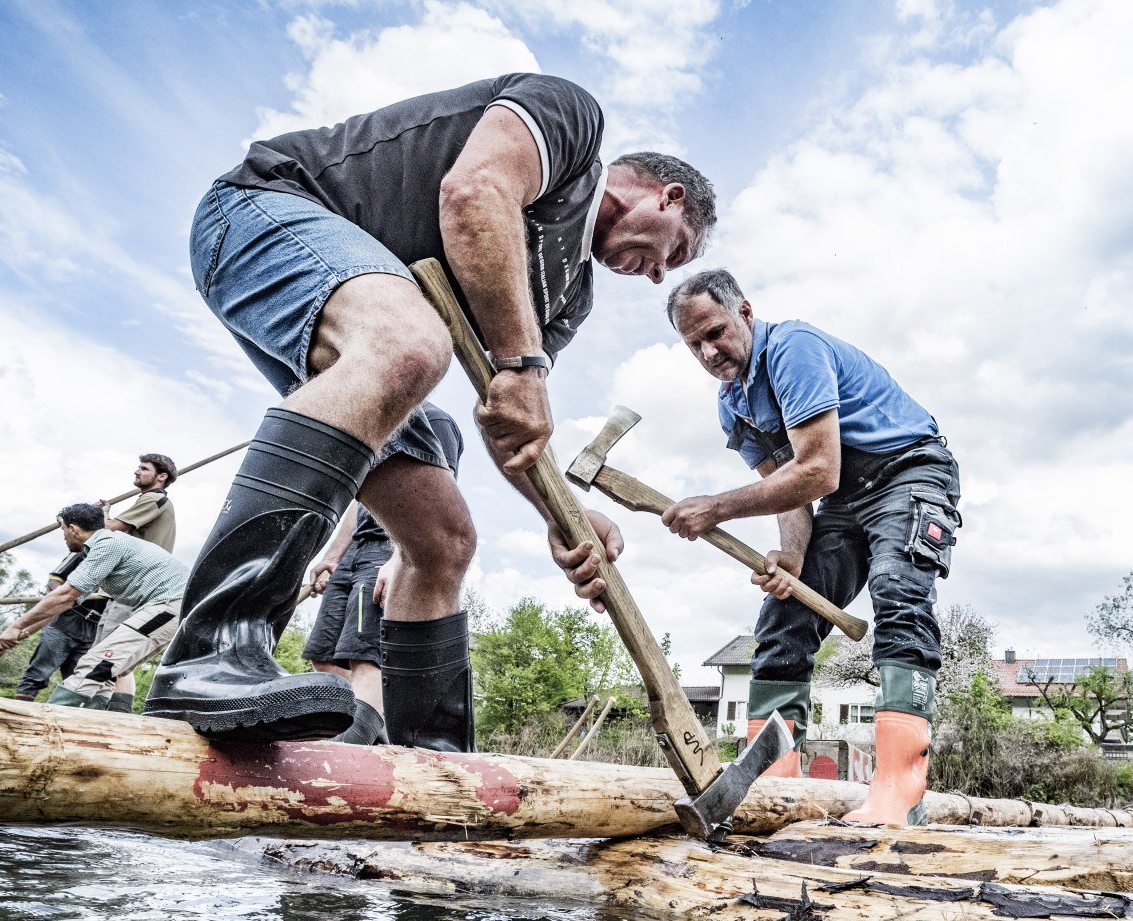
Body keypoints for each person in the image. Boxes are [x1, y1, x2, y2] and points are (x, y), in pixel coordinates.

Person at [148, 73, 716, 748]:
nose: (658, 275)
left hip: (362, 328)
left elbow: (512, 414)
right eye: (673, 252)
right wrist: (524, 364)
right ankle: (213, 653)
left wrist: (562, 514)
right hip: (259, 214)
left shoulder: (567, 295)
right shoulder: (570, 121)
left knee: (443, 540)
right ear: (665, 194)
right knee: (410, 345)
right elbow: (474, 192)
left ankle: (431, 758)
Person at [661, 270, 962, 827]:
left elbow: (818, 470)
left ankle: (899, 792)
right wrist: (793, 557)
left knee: (898, 592)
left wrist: (718, 507)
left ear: (745, 312)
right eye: (693, 344)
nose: (709, 351)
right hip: (843, 503)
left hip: (906, 472)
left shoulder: (793, 352)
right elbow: (789, 490)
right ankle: (777, 787)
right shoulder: (733, 404)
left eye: (716, 332)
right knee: (784, 615)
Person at [301, 405, 463, 738]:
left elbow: (439, 500)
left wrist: (400, 557)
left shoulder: (433, 421)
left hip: (385, 548)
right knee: (325, 658)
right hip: (354, 554)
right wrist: (332, 557)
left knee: (366, 660)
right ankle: (377, 732)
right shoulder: (376, 424)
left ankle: (350, 753)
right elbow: (359, 501)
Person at [0, 503, 190, 712]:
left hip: (170, 605)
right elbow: (64, 604)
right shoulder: (101, 550)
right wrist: (12, 637)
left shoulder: (108, 544)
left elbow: (64, 595)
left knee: (95, 664)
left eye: (63, 530)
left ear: (73, 529)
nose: (64, 537)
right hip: (167, 608)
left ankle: (49, 724)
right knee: (107, 672)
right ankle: (95, 727)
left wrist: (14, 628)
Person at [89, 453, 180, 705]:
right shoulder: (150, 500)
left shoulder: (153, 499)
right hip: (135, 588)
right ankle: (107, 712)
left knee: (107, 655)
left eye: (143, 468)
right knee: (114, 656)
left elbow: (110, 529)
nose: (136, 472)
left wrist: (98, 517)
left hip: (138, 586)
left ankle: (96, 710)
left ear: (161, 476)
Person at [10, 547, 109, 701]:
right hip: (65, 621)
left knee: (79, 683)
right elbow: (54, 580)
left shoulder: (125, 562)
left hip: (94, 629)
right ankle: (19, 713)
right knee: (37, 675)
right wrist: (68, 597)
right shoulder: (85, 553)